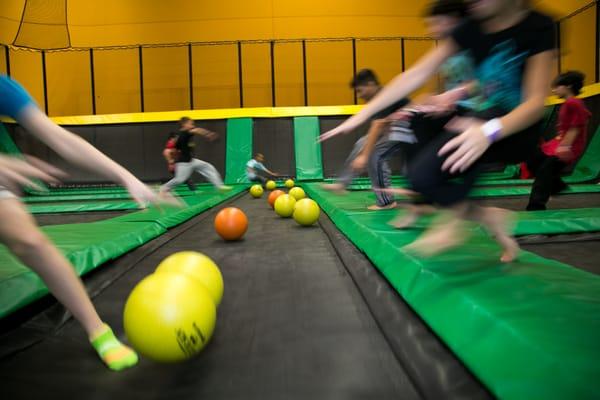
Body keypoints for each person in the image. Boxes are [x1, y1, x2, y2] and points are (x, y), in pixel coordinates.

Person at [320, 0, 556, 262]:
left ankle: (451, 224)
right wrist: (360, 115)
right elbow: (417, 73)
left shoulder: (538, 26)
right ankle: (490, 218)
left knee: (470, 124)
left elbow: (535, 103)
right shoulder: (471, 28)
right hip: (477, 119)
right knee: (422, 170)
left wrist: (489, 130)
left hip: (517, 130)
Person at [0, 74, 175, 371]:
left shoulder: (4, 88)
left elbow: (59, 138)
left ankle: (98, 330)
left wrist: (126, 177)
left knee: (30, 240)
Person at [351, 0, 473, 228]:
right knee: (406, 122)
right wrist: (433, 101)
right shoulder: (448, 51)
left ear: (455, 19)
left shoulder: (475, 43)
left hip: (476, 109)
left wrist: (455, 96)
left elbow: (483, 82)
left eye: (437, 23)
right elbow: (430, 81)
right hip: (453, 108)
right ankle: (418, 199)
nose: (432, 30)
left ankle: (425, 192)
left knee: (410, 124)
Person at [322, 69, 409, 210]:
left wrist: (364, 156)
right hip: (395, 130)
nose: (359, 95)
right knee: (362, 143)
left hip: (409, 131)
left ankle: (386, 201)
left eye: (360, 91)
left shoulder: (384, 96)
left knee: (375, 154)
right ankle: (343, 183)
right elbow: (379, 125)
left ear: (370, 84)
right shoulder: (377, 98)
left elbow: (378, 125)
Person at [526, 71, 591, 210]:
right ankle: (557, 185)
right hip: (558, 143)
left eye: (557, 87)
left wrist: (564, 147)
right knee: (532, 160)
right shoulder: (568, 103)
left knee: (544, 171)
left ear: (568, 86)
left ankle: (536, 205)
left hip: (569, 146)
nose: (554, 90)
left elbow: (575, 128)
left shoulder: (574, 103)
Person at [160, 117, 231, 195]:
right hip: (184, 163)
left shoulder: (183, 135)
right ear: (184, 124)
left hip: (191, 160)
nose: (193, 125)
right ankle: (164, 188)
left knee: (208, 167)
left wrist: (173, 157)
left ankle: (220, 186)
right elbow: (197, 130)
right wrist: (209, 134)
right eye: (191, 124)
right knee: (179, 180)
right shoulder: (184, 134)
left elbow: (175, 149)